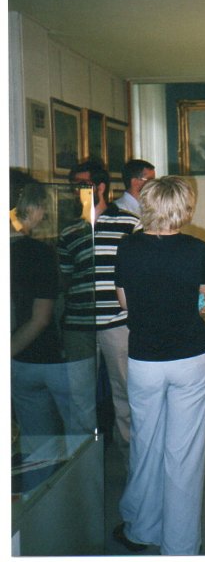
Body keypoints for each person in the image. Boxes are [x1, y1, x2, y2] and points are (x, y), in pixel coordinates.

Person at [113, 176, 205, 556]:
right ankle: (181, 546)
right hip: (191, 356)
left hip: (145, 358)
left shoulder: (127, 248)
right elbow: (202, 297)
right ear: (185, 208)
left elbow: (125, 303)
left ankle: (142, 530)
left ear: (147, 204)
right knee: (184, 454)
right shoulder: (199, 249)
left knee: (145, 443)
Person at [58, 159, 138, 449]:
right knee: (79, 398)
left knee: (126, 393)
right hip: (79, 325)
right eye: (74, 186)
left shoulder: (129, 224)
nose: (77, 191)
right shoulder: (69, 232)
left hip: (118, 322)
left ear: (101, 187)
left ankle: (133, 463)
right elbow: (65, 279)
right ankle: (84, 466)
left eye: (83, 185)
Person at [10, 171, 72, 439]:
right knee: (66, 440)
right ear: (31, 207)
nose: (44, 212)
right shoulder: (39, 252)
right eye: (42, 205)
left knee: (34, 442)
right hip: (44, 357)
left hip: (19, 361)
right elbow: (41, 317)